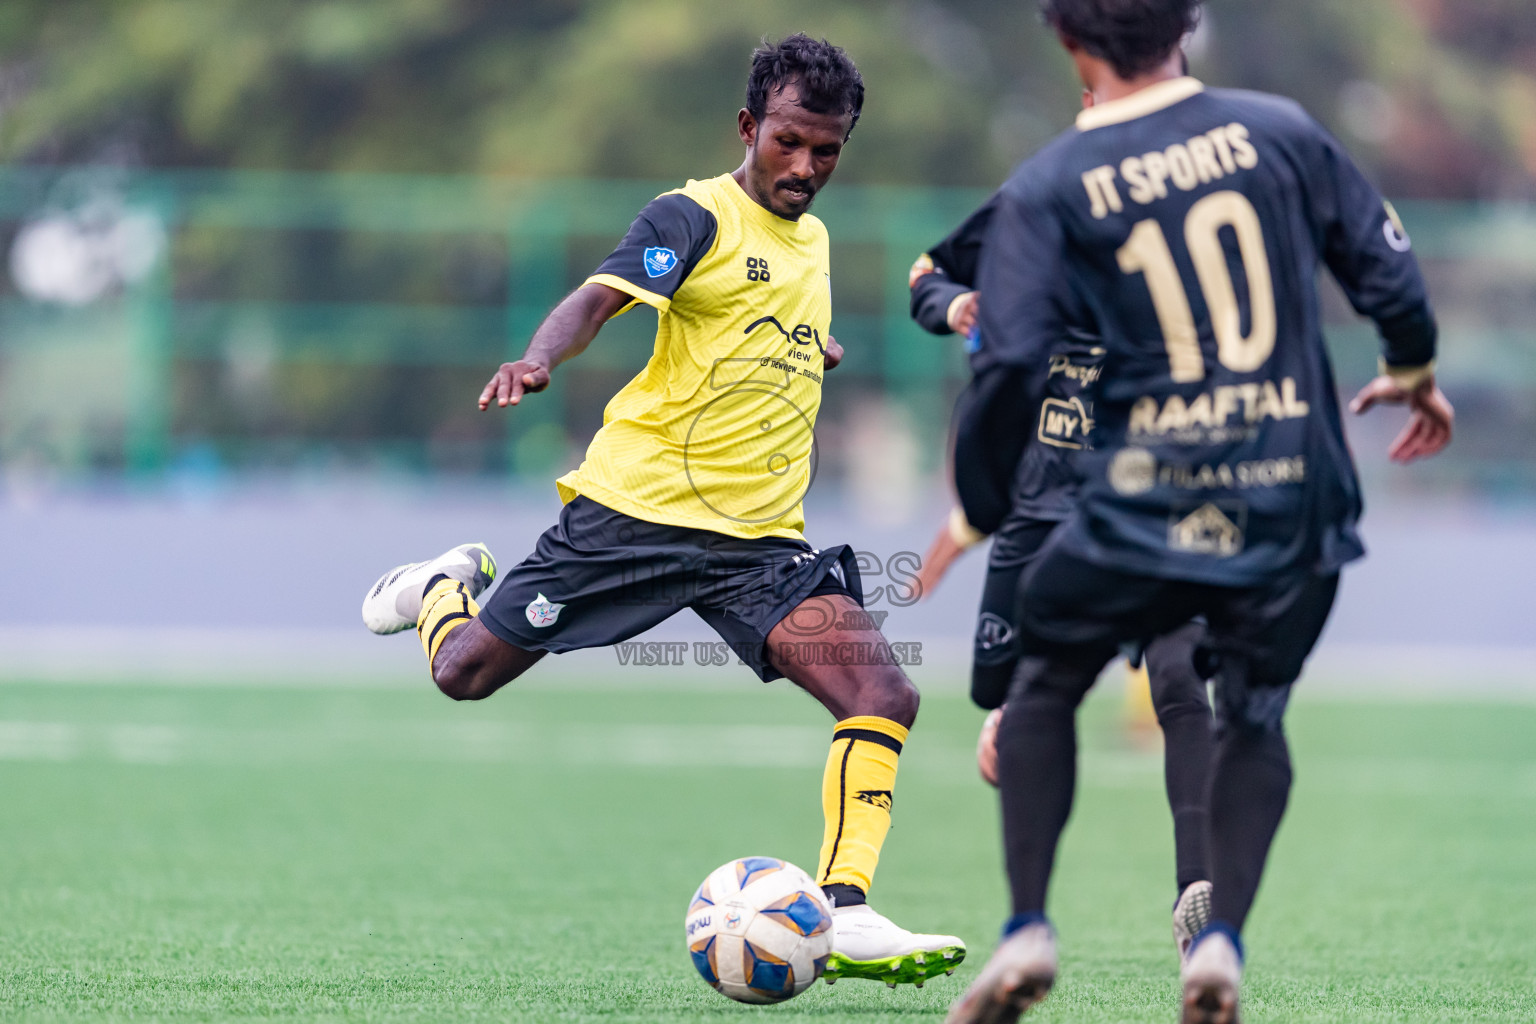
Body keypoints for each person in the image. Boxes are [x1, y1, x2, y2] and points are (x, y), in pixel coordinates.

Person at [359, 35, 964, 990]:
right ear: (748, 127)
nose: (805, 167)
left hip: (758, 545)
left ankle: (842, 910)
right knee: (462, 674)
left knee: (884, 695)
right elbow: (599, 299)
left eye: (828, 151)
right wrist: (539, 359)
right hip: (631, 516)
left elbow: (763, 320)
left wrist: (811, 349)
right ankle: (439, 587)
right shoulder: (693, 215)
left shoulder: (813, 242)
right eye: (789, 143)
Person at [943, 1, 1453, 1021]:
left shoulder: (1050, 184)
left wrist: (981, 502)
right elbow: (1391, 277)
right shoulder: (1281, 131)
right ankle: (1217, 942)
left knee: (1040, 682)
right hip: (1293, 489)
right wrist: (1411, 371)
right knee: (1254, 711)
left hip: (1149, 491)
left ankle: (1028, 927)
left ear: (1068, 44)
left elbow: (1005, 361)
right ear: (1189, 27)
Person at [909, 207, 1216, 956]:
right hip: (1043, 523)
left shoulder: (1192, 206)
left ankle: (1199, 894)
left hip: (1153, 510)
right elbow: (924, 272)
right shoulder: (1038, 201)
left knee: (1180, 676)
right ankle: (1028, 923)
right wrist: (955, 305)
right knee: (1007, 707)